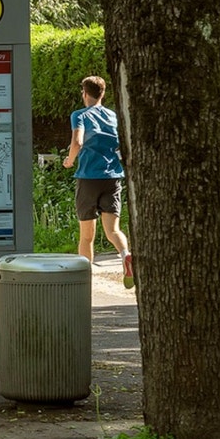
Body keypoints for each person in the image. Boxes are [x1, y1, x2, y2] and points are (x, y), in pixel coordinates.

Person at [63, 75, 134, 289]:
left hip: (88, 177)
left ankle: (85, 278)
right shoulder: (113, 116)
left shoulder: (79, 115)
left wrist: (69, 160)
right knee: (113, 230)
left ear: (84, 93)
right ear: (102, 94)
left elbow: (78, 141)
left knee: (87, 236)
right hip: (112, 177)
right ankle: (126, 255)